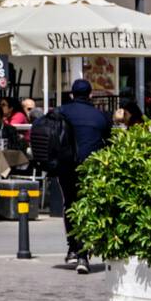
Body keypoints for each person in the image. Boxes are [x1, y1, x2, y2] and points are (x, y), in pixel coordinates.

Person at [58, 79, 112, 274]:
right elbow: (110, 139)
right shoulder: (101, 116)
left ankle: (74, 249)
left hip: (67, 167)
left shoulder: (62, 111)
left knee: (70, 204)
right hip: (92, 168)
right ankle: (83, 254)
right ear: (90, 94)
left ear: (72, 94)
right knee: (87, 207)